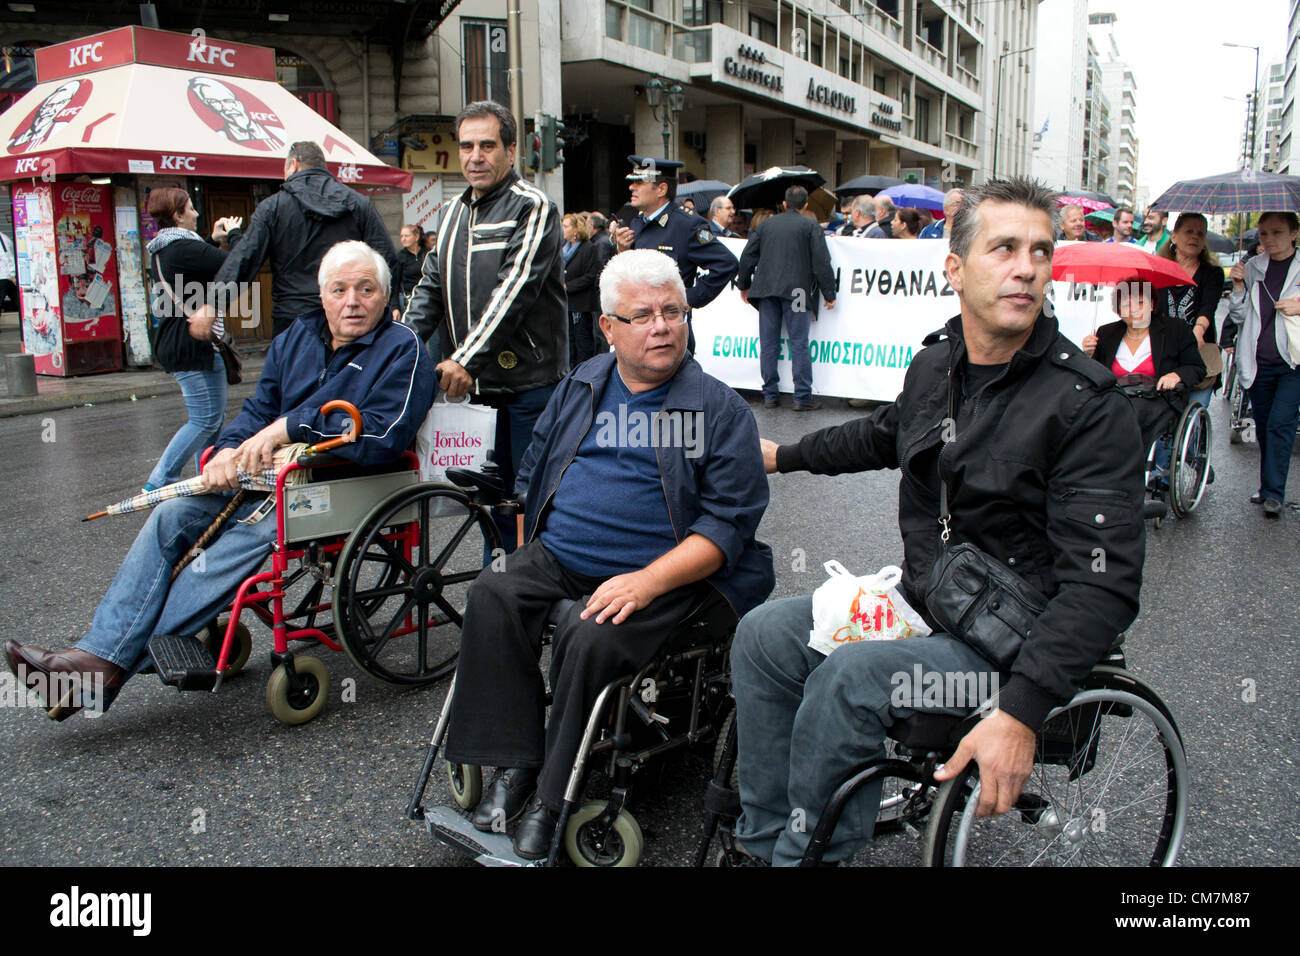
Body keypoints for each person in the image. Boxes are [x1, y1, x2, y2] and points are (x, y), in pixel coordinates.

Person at [728, 177, 1146, 866]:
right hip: (933, 605)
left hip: (1016, 645)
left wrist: (1018, 710)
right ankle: (766, 841)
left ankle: (809, 858)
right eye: (1004, 247)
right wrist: (783, 455)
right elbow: (883, 436)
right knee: (766, 634)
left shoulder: (1086, 406)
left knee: (851, 679)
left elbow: (1102, 588)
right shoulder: (936, 366)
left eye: (1041, 252)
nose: (1026, 267)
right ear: (954, 268)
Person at [3, 241, 436, 720]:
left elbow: (384, 434)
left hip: (338, 485)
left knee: (243, 542)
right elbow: (256, 411)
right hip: (265, 479)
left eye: (365, 289)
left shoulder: (404, 348)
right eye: (339, 289)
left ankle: (98, 667)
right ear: (322, 294)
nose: (351, 301)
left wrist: (294, 426)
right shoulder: (296, 337)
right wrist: (227, 450)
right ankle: (96, 660)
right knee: (171, 517)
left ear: (385, 294)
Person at [442, 249, 774, 859]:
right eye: (642, 315)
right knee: (493, 592)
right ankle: (515, 762)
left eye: (673, 311)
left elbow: (728, 526)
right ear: (608, 328)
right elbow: (536, 469)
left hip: (666, 573)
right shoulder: (585, 384)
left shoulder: (717, 409)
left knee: (588, 627)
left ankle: (550, 795)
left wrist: (647, 582)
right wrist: (522, 551)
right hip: (565, 553)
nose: (662, 326)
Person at [402, 100, 568, 549]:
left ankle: (532, 595)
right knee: (488, 497)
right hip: (475, 390)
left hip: (529, 383)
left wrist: (463, 359)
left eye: (488, 145)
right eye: (467, 145)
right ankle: (502, 584)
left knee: (530, 496)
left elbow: (514, 292)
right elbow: (431, 285)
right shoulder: (453, 212)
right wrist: (401, 346)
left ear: (511, 151)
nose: (476, 155)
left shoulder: (534, 207)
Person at [197, 141, 399, 338]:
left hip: (293, 318)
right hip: (347, 314)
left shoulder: (273, 207)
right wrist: (390, 305)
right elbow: (386, 257)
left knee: (294, 371)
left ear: (293, 164)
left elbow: (245, 257)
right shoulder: (358, 203)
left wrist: (213, 305)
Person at [143, 187, 244, 490]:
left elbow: (196, 269)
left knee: (214, 417)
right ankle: (159, 482)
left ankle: (208, 477)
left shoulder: (168, 247)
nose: (197, 213)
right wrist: (236, 234)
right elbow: (238, 263)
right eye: (190, 209)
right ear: (177, 215)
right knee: (205, 419)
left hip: (188, 342)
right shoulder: (182, 248)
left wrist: (213, 240)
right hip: (190, 343)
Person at [736, 186, 837, 413]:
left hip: (767, 290)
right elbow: (821, 262)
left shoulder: (766, 224)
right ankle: (802, 396)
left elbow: (748, 256)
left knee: (768, 343)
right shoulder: (810, 226)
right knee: (799, 342)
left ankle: (770, 394)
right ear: (805, 205)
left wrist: (743, 284)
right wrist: (829, 293)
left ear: (784, 203)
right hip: (798, 291)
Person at [1083, 278, 1205, 464]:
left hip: (1156, 399)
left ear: (1152, 304)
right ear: (1118, 310)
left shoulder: (1175, 330)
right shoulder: (1106, 333)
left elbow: (1197, 368)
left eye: (1141, 302)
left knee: (1129, 415)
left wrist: (1177, 375)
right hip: (1115, 398)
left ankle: (1121, 469)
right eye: (1127, 304)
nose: (1135, 309)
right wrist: (1088, 354)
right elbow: (1095, 375)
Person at [1227, 210, 1300, 518]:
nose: (1269, 239)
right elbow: (1239, 317)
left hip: (1293, 362)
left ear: (1294, 233)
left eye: (1277, 232)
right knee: (1265, 428)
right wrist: (1239, 287)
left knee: (1281, 424)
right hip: (1258, 362)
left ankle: (1273, 493)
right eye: (1264, 233)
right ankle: (1268, 485)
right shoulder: (1253, 268)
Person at [611, 156, 738, 331]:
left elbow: (726, 263)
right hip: (639, 325)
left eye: (640, 182)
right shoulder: (637, 221)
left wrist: (687, 300)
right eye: (634, 182)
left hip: (670, 330)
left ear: (662, 189)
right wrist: (622, 250)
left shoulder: (686, 224)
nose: (632, 187)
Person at [1157, 212, 1224, 408]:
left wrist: (1199, 330)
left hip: (1199, 351)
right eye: (1189, 231)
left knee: (1194, 409)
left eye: (1200, 233)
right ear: (1174, 236)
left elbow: (1208, 307)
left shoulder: (1212, 273)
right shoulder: (1158, 270)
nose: (1195, 236)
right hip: (1164, 352)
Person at [562, 212, 602, 367]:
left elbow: (591, 275)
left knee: (582, 341)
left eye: (565, 226)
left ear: (575, 230)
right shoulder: (563, 248)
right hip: (567, 303)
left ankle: (583, 370)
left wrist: (568, 286)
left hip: (581, 304)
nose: (562, 229)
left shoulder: (588, 248)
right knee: (569, 341)